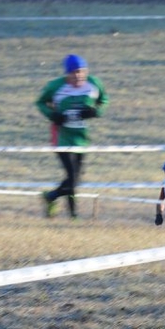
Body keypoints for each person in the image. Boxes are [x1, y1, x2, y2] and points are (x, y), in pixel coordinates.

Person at [35, 54, 108, 220]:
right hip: (61, 137)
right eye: (74, 73)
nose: (78, 76)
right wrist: (52, 115)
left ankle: (51, 197)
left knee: (75, 178)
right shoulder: (55, 86)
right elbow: (40, 102)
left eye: (81, 72)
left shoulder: (94, 84)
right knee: (72, 177)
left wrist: (96, 111)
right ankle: (73, 215)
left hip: (81, 137)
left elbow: (104, 100)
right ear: (67, 73)